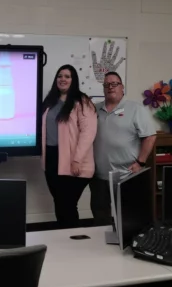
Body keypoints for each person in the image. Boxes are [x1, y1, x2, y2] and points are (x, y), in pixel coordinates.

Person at [91, 71, 156, 225]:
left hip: (126, 174)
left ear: (122, 88)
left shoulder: (135, 109)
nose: (110, 87)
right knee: (100, 217)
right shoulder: (93, 110)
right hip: (99, 176)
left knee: (129, 216)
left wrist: (140, 162)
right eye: (106, 85)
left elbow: (150, 136)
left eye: (115, 84)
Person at [42, 65, 97, 228]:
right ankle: (63, 239)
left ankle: (73, 242)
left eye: (67, 76)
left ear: (73, 80)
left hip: (73, 160)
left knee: (67, 204)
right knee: (59, 202)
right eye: (60, 76)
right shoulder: (50, 101)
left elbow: (88, 133)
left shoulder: (82, 101)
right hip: (52, 158)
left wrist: (77, 160)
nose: (63, 79)